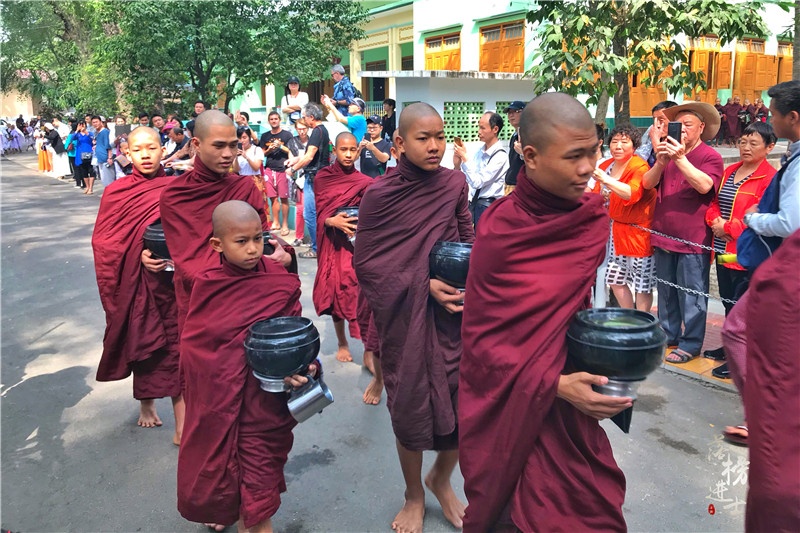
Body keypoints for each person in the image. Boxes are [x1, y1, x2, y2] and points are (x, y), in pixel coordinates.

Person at [459, 92, 631, 533]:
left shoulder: (590, 218)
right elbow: (482, 346)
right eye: (574, 156)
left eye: (593, 150)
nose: (589, 167)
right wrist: (554, 385)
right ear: (530, 156)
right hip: (518, 410)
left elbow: (570, 314)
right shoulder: (501, 232)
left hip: (572, 416)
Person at [354, 103, 473, 533]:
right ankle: (413, 494)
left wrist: (464, 281)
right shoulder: (379, 195)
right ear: (400, 142)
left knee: (464, 403)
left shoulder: (454, 183)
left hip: (452, 317)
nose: (435, 146)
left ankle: (441, 476)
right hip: (406, 318)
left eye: (440, 136)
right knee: (409, 408)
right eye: (424, 138)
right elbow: (367, 264)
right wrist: (424, 286)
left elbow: (466, 239)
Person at [177, 200, 316, 533]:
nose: (253, 249)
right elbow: (196, 350)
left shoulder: (276, 279)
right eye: (241, 242)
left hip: (265, 404)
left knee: (257, 476)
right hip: (225, 405)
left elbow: (293, 331)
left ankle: (233, 508)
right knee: (254, 501)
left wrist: (306, 365)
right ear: (217, 245)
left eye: (258, 238)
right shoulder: (210, 284)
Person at [159, 110, 294, 333]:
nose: (228, 154)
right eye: (219, 146)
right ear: (197, 144)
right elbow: (188, 260)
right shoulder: (176, 194)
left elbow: (261, 239)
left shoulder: (243, 187)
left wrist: (285, 255)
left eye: (233, 146)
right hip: (202, 300)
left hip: (251, 298)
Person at [719, 80, 800, 446]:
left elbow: (789, 223)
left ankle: (767, 418)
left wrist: (753, 218)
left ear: (792, 117)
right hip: (778, 263)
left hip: (786, 265)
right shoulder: (793, 157)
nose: (769, 119)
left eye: (773, 113)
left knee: (737, 329)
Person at [91, 126, 185, 444]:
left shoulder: (176, 187)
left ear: (163, 150)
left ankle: (182, 423)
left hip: (173, 281)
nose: (145, 155)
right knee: (145, 339)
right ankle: (147, 403)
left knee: (175, 345)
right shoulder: (116, 192)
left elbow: (194, 233)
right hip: (139, 279)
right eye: (138, 149)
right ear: (127, 154)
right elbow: (106, 244)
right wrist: (138, 256)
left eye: (152, 148)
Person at [642, 101, 723, 364]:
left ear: (701, 128)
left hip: (692, 238)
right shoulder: (667, 153)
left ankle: (691, 342)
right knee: (666, 290)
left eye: (688, 125)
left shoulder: (710, 156)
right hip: (663, 233)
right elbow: (647, 183)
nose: (683, 131)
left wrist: (680, 158)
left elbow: (704, 186)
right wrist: (662, 160)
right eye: (679, 126)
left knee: (692, 293)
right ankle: (668, 333)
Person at [703, 122, 777, 368]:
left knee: (745, 307)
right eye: (742, 142)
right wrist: (715, 222)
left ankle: (744, 357)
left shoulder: (770, 178)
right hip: (724, 250)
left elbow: (763, 216)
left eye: (753, 143)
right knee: (727, 300)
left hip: (747, 252)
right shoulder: (730, 170)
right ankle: (729, 347)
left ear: (769, 148)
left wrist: (729, 228)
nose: (746, 147)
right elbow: (714, 203)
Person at [743, 228, 800, 532]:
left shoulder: (781, 272)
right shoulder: (784, 273)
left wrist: (760, 413)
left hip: (778, 469)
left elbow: (733, 332)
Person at [312, 132, 373, 364]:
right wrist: (330, 221)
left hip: (354, 245)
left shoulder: (364, 182)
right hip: (332, 244)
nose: (348, 154)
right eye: (343, 150)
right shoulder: (322, 178)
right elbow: (320, 213)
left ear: (358, 151)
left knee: (360, 292)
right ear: (334, 150)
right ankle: (342, 342)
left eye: (352, 150)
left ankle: (368, 348)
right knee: (336, 290)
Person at [591, 123, 656, 311]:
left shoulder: (639, 166)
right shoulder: (605, 165)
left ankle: (643, 320)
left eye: (624, 142)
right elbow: (595, 193)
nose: (618, 146)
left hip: (638, 232)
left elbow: (631, 193)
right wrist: (601, 195)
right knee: (614, 278)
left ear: (634, 146)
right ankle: (630, 316)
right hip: (614, 231)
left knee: (641, 284)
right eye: (614, 141)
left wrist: (606, 180)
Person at [286, 103, 331, 260]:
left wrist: (293, 169)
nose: (303, 120)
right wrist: (295, 161)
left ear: (311, 117)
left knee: (309, 214)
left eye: (304, 117)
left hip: (314, 177)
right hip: (318, 175)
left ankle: (316, 247)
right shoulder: (321, 130)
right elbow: (309, 155)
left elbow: (310, 156)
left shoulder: (317, 132)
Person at [452, 111, 509, 227]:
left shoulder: (500, 156)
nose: (479, 132)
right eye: (479, 127)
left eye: (483, 128)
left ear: (495, 129)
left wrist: (465, 158)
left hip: (488, 206)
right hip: (474, 204)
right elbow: (469, 177)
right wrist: (458, 164)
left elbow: (478, 182)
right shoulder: (480, 151)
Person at [260, 111, 294, 236]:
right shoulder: (265, 136)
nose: (274, 121)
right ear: (269, 121)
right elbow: (262, 153)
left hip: (282, 169)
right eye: (271, 119)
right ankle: (276, 222)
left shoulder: (287, 135)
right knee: (272, 198)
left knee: (284, 198)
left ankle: (285, 224)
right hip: (269, 168)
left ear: (279, 120)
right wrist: (269, 150)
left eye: (276, 119)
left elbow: (292, 150)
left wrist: (280, 146)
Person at [286, 120, 310, 247]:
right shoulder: (292, 142)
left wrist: (299, 159)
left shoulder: (313, 141)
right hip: (298, 178)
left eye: (304, 128)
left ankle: (313, 237)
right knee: (300, 209)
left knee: (310, 209)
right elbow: (291, 160)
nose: (302, 131)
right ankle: (299, 237)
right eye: (299, 128)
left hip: (311, 177)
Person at [634, 100, 678, 167]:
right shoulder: (651, 137)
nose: (657, 125)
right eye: (655, 120)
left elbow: (666, 168)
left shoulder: (679, 143)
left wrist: (655, 142)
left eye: (661, 120)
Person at [503, 101, 525, 195]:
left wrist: (522, 153)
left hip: (521, 186)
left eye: (515, 111)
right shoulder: (514, 135)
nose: (511, 115)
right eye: (509, 113)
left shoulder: (529, 134)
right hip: (510, 185)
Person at [92, 115, 116, 187]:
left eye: (96, 122)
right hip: (100, 159)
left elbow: (108, 146)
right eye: (93, 122)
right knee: (104, 179)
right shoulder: (97, 133)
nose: (95, 124)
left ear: (101, 122)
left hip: (106, 159)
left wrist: (109, 157)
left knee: (109, 180)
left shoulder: (105, 132)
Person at [74, 121, 95, 193]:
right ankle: (87, 186)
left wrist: (86, 132)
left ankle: (91, 188)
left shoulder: (89, 133)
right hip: (81, 154)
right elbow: (71, 138)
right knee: (84, 171)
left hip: (89, 153)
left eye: (83, 125)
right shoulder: (78, 135)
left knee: (91, 171)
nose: (82, 126)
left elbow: (93, 138)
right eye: (80, 125)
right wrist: (77, 130)